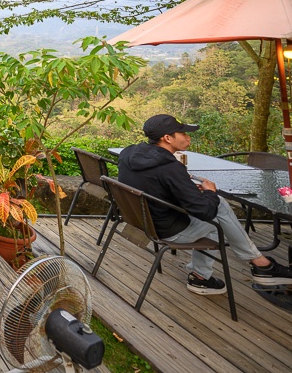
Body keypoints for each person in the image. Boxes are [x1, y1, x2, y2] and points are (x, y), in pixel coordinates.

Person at [117, 114, 292, 295]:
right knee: (219, 208)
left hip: (142, 222)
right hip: (168, 230)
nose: (188, 137)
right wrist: (209, 192)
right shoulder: (170, 167)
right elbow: (205, 211)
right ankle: (260, 265)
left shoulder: (128, 153)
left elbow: (154, 185)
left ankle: (209, 276)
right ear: (167, 138)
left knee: (217, 218)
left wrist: (189, 191)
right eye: (183, 133)